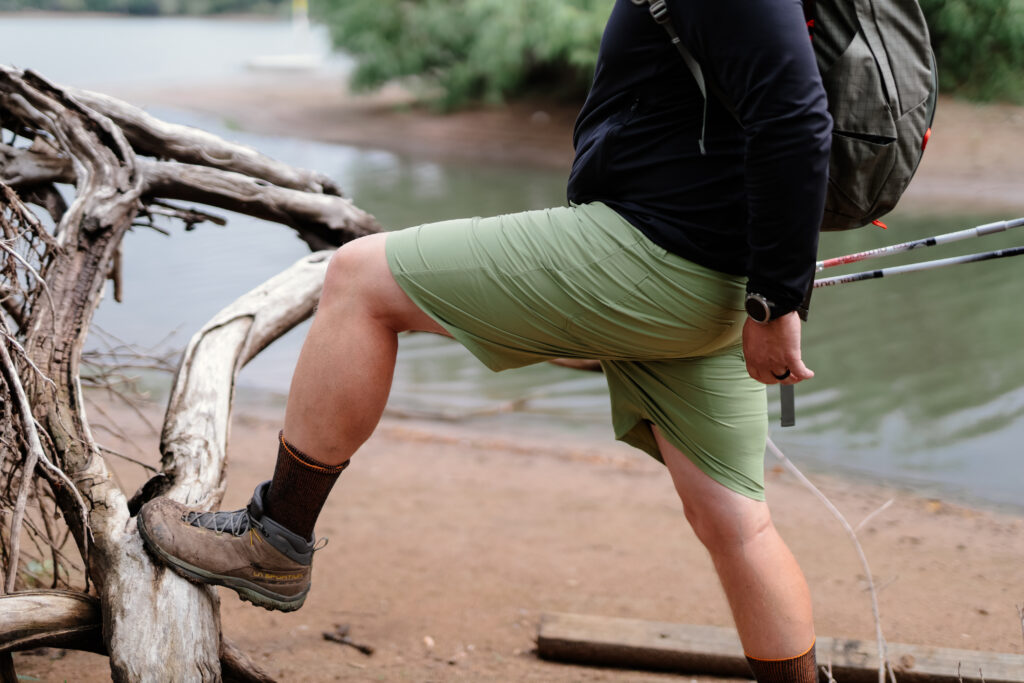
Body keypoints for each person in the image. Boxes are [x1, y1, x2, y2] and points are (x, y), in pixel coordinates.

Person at [138, 0, 830, 680]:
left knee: (359, 280)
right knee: (739, 525)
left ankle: (275, 539)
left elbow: (795, 115)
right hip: (711, 278)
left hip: (659, 258)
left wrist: (776, 299)